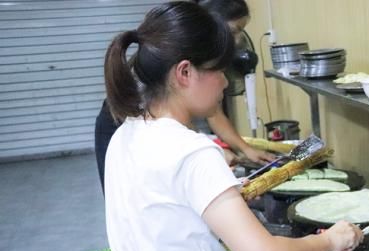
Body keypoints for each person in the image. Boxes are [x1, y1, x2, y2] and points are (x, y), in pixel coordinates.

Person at [103, 1, 363, 251]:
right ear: (184, 73)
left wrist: (227, 196)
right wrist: (331, 239)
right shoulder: (193, 152)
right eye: (217, 70)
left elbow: (164, 215)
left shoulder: (124, 137)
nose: (224, 82)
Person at [94, 0, 272, 192]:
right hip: (119, 123)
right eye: (236, 29)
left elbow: (198, 115)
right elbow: (175, 123)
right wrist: (207, 155)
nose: (237, 40)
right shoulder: (162, 66)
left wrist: (240, 149)